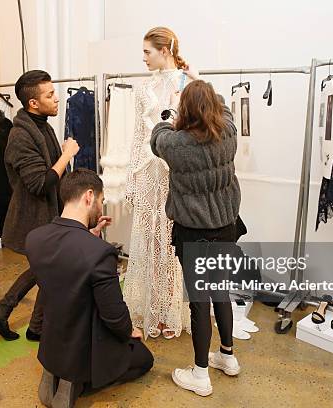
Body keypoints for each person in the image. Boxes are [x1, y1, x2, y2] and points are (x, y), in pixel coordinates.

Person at [30, 169, 153, 408]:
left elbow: (67, 262)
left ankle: (56, 370)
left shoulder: (35, 239)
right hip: (84, 343)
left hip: (53, 338)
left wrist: (91, 235)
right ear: (89, 196)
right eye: (101, 200)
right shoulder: (99, 253)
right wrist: (129, 330)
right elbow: (113, 313)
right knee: (144, 359)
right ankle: (77, 382)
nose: (101, 206)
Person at [150, 80, 242, 396]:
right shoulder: (228, 132)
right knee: (221, 292)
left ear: (186, 110)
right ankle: (227, 357)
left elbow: (156, 137)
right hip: (226, 227)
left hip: (195, 235)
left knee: (199, 302)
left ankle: (201, 374)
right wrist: (204, 91)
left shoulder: (176, 145)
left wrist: (171, 110)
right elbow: (224, 108)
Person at [0, 70, 80, 341]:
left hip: (48, 214)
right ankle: (23, 321)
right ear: (33, 103)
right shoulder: (20, 137)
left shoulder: (42, 125)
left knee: (46, 270)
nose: (56, 98)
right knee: (48, 269)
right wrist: (67, 154)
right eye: (49, 95)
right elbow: (41, 183)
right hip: (33, 217)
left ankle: (19, 320)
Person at [124, 26, 198, 340]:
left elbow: (195, 133)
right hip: (147, 172)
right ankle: (146, 309)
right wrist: (130, 178)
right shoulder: (143, 88)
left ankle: (168, 310)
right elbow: (138, 136)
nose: (143, 58)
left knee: (171, 244)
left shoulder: (189, 83)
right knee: (147, 241)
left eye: (147, 52)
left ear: (164, 50)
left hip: (174, 174)